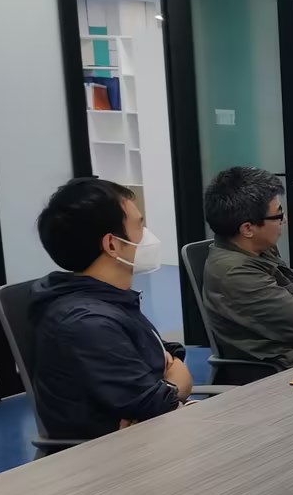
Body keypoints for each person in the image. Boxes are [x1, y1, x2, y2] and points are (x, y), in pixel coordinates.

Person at [29, 178, 193, 440]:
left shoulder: (110, 298)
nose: (147, 234)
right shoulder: (86, 322)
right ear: (112, 244)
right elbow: (158, 404)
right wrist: (175, 382)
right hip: (117, 453)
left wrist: (170, 377)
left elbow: (163, 356)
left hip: (155, 434)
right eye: (139, 225)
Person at [202, 166, 293, 368]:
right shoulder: (236, 274)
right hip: (286, 371)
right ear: (248, 228)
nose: (285, 220)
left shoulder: (260, 250)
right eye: (278, 215)